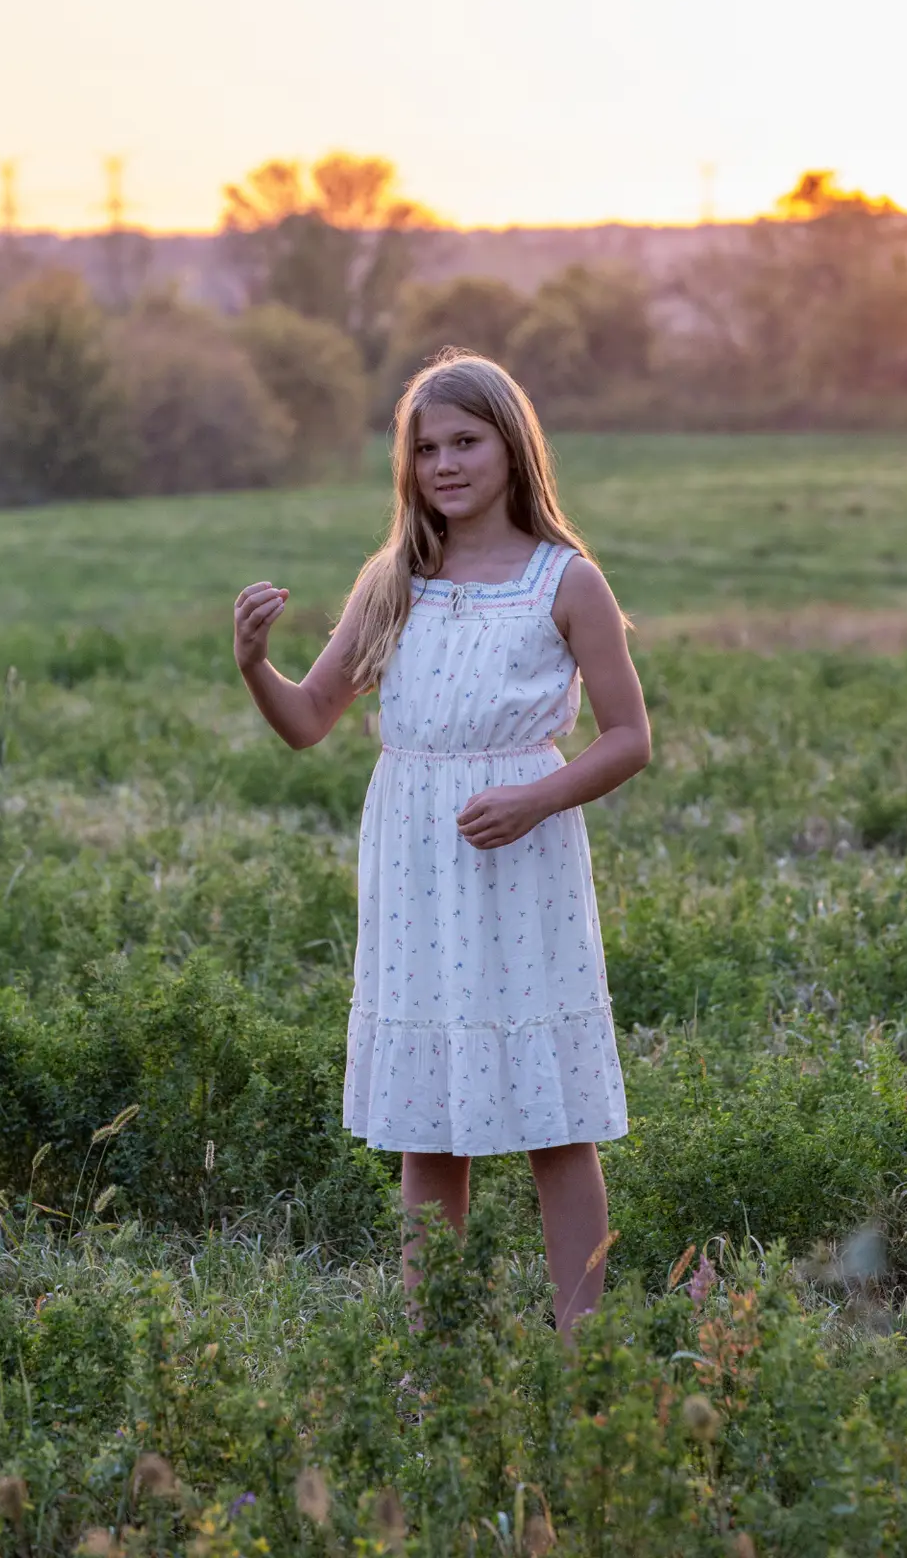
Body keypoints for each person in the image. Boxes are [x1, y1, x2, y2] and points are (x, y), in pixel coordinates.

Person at [233, 351, 650, 1333]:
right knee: (430, 1120)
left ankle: (581, 1347)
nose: (445, 463)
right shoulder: (394, 581)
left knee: (554, 1117)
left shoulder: (565, 581)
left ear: (511, 445)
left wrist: (536, 800)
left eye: (464, 441)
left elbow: (629, 738)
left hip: (521, 857)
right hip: (417, 860)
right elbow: (306, 720)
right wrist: (255, 664)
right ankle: (436, 1349)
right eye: (426, 448)